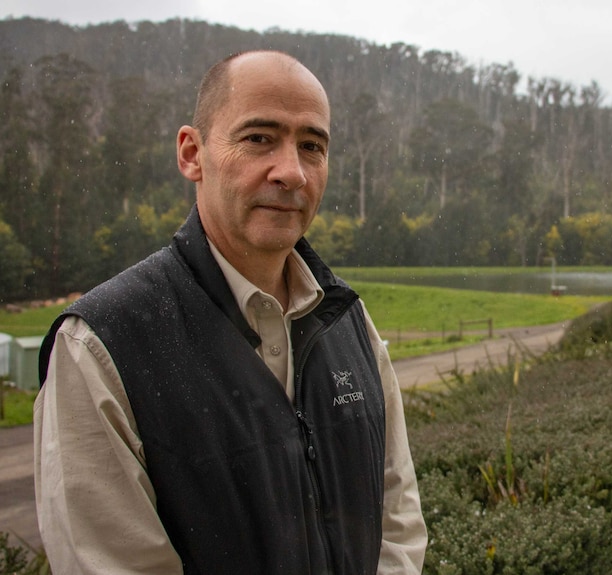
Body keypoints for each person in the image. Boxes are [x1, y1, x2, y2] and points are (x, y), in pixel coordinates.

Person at [34, 50, 427, 574]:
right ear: (192, 154)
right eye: (259, 138)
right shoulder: (101, 346)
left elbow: (396, 516)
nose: (291, 172)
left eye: (312, 146)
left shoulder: (349, 321)